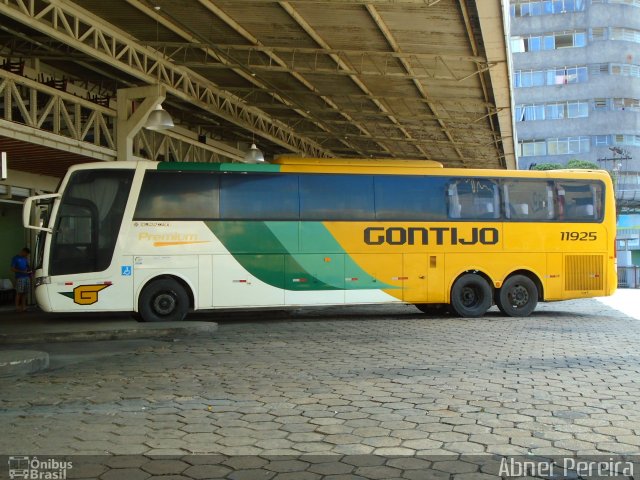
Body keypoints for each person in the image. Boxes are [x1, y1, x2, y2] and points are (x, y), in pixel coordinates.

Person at [10, 247, 31, 312]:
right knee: (19, 293)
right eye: (26, 254)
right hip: (19, 278)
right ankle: (17, 307)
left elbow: (28, 267)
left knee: (25, 293)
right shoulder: (15, 258)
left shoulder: (25, 259)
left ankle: (24, 307)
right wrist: (22, 272)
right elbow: (12, 269)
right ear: (23, 251)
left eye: (27, 254)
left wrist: (30, 271)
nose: (26, 255)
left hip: (26, 277)